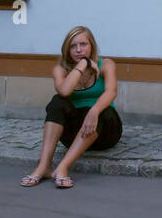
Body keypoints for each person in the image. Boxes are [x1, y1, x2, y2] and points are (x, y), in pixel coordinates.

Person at [21, 26, 122, 189]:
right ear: (67, 49)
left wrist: (94, 110)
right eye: (73, 46)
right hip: (75, 135)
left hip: (105, 131)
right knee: (57, 101)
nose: (78, 49)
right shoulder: (60, 69)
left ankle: (63, 167)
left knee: (104, 111)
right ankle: (44, 166)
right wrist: (84, 63)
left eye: (83, 44)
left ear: (92, 46)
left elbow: (111, 92)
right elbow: (65, 91)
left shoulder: (106, 64)